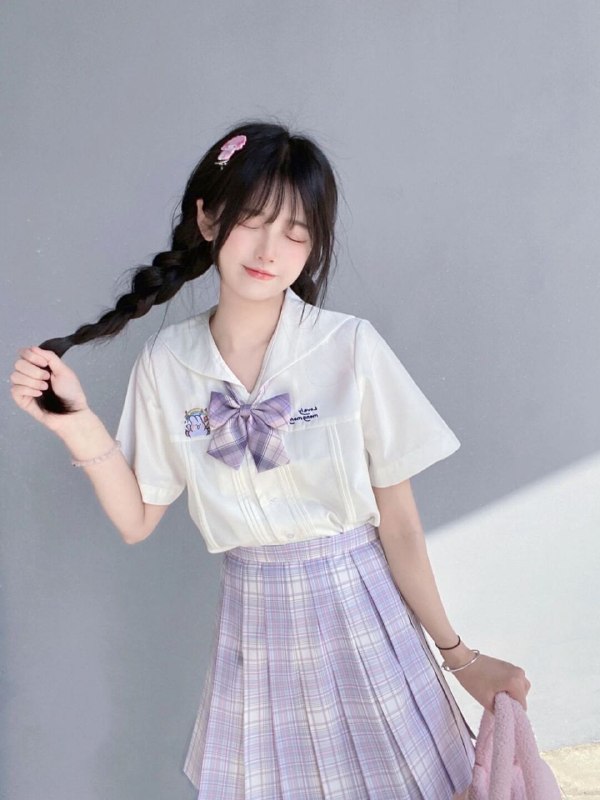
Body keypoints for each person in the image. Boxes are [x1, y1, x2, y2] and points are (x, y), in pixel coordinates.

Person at [10, 120, 530, 799]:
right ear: (208, 218)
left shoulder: (348, 348)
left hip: (362, 609)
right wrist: (78, 426)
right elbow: (137, 519)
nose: (269, 250)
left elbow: (399, 527)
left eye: (296, 233)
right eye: (252, 220)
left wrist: (460, 658)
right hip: (253, 624)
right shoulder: (168, 364)